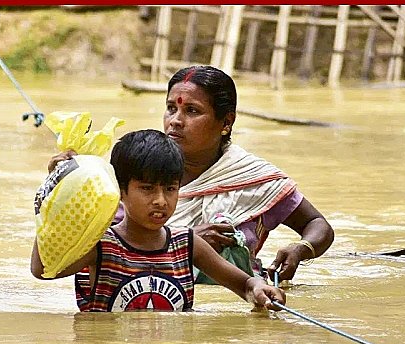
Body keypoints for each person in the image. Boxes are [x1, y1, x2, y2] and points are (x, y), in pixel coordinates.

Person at [48, 65, 334, 284]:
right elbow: (78, 250)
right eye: (171, 108)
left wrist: (301, 248)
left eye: (192, 111)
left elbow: (318, 224)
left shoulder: (256, 179)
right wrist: (66, 182)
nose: (175, 121)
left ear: (226, 122)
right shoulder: (128, 172)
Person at [31, 129, 285, 312]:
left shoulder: (188, 244)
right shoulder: (101, 246)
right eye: (148, 189)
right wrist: (54, 195)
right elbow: (43, 270)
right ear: (121, 191)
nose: (161, 201)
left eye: (170, 189)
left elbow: (244, 285)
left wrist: (260, 289)